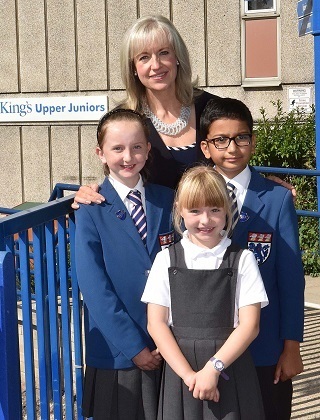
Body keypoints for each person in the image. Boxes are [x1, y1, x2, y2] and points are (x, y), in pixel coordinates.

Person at [71, 15, 295, 208]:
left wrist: (266, 186)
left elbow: (234, 158)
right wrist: (88, 191)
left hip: (214, 237)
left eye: (164, 52)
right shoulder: (124, 120)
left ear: (178, 58)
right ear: (134, 69)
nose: (156, 65)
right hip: (155, 244)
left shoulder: (211, 107)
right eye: (144, 57)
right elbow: (115, 178)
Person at [199, 96, 305, 420]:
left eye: (241, 137)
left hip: (265, 348)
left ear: (253, 141)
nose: (232, 148)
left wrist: (291, 346)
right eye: (221, 139)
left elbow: (290, 279)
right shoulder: (192, 195)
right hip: (209, 348)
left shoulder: (276, 200)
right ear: (206, 147)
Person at [142, 165, 268, 419]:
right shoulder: (165, 259)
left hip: (229, 366)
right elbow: (156, 324)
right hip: (182, 372)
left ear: (226, 210)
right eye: (195, 211)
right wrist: (190, 376)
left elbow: (250, 325)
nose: (205, 220)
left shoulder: (242, 259)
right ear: (180, 210)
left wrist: (213, 369)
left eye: (214, 210)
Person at [75, 108, 174, 420]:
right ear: (101, 153)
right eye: (117, 148)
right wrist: (134, 347)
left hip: (167, 344)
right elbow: (94, 287)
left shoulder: (168, 199)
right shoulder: (90, 207)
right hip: (118, 350)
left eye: (136, 147)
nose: (128, 156)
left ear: (148, 149)